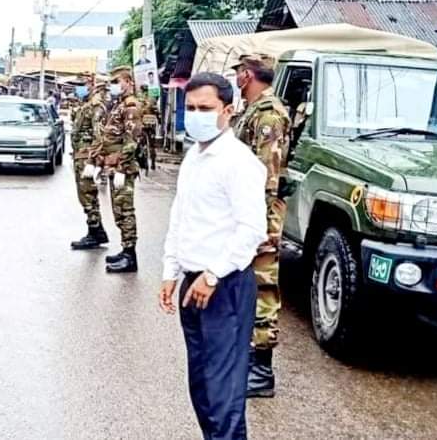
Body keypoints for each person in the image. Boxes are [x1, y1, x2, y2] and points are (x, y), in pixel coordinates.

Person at [159, 72, 267, 440]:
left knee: (223, 393)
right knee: (202, 386)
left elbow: (251, 230)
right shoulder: (194, 156)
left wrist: (213, 275)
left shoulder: (239, 162)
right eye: (190, 108)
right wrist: (171, 271)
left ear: (229, 110)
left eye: (205, 108)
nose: (196, 115)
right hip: (194, 284)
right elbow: (181, 215)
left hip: (225, 287)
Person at [231, 54, 291, 399]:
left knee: (263, 285)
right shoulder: (252, 110)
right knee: (247, 283)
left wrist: (253, 220)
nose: (237, 78)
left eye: (239, 72)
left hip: (261, 211)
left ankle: (262, 369)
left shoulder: (268, 113)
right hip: (249, 208)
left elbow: (264, 176)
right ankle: (249, 357)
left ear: (248, 74)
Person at [83, 66, 142, 273]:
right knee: (119, 212)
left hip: (122, 169)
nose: (114, 85)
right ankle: (125, 250)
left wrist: (122, 168)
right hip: (113, 166)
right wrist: (96, 161)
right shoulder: (119, 105)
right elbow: (108, 137)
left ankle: (130, 255)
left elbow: (132, 141)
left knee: (125, 211)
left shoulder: (131, 107)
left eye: (118, 81)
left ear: (129, 82)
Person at [70, 76, 109, 250]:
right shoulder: (87, 105)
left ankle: (96, 232)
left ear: (93, 86)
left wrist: (92, 160)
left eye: (84, 85)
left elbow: (99, 136)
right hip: (80, 156)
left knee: (88, 195)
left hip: (86, 157)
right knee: (84, 195)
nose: (80, 88)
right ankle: (95, 230)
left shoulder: (96, 107)